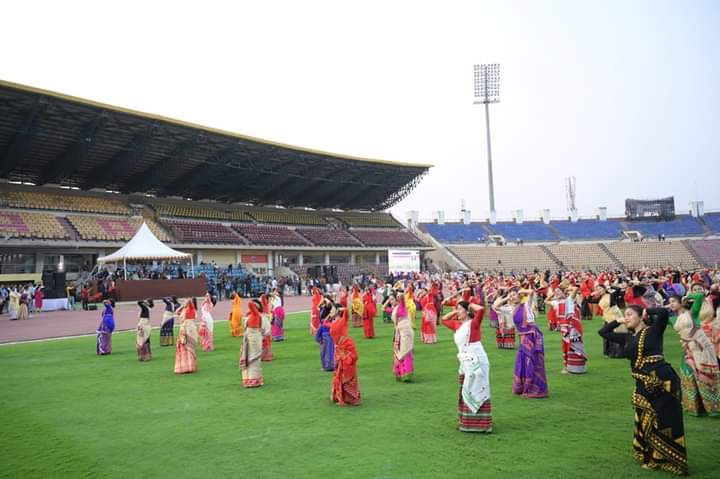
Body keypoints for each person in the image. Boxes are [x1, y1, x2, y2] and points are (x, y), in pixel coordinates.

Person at [599, 305, 688, 475]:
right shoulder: (627, 338)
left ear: (641, 316)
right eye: (625, 315)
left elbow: (662, 313)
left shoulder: (654, 331)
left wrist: (647, 310)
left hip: (662, 380)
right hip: (642, 382)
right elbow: (603, 332)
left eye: (630, 314)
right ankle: (651, 456)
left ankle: (668, 459)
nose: (627, 317)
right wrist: (617, 320)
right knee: (645, 417)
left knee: (665, 418)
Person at [441, 301, 492, 433]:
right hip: (465, 361)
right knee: (466, 388)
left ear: (467, 311)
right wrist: (456, 310)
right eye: (456, 310)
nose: (457, 312)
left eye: (459, 309)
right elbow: (443, 320)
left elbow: (481, 310)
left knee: (477, 389)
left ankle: (481, 424)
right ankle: (467, 421)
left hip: (477, 360)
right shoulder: (457, 325)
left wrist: (468, 304)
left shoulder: (473, 324)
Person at [668, 294, 720, 416]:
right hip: (688, 348)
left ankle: (713, 408)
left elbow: (699, 297)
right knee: (688, 373)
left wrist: (687, 296)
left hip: (701, 347)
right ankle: (694, 407)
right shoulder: (672, 318)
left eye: (674, 301)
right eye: (670, 302)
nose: (671, 304)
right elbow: (657, 317)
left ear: (681, 302)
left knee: (705, 374)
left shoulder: (692, 313)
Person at [495, 289, 549, 398]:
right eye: (511, 295)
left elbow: (531, 292)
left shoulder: (526, 304)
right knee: (522, 362)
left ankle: (534, 390)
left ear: (519, 296)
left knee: (533, 361)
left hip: (532, 336)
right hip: (523, 337)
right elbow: (495, 307)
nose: (512, 297)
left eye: (514, 295)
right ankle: (524, 387)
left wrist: (520, 291)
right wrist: (507, 297)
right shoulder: (510, 309)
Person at [549, 287, 587, 374]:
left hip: (573, 327)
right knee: (566, 347)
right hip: (564, 328)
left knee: (574, 346)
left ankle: (577, 369)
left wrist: (567, 289)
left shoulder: (569, 299)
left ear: (564, 292)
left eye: (559, 291)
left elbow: (575, 289)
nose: (557, 293)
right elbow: (546, 301)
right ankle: (568, 367)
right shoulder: (555, 303)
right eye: (555, 292)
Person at [330, 305, 361, 406]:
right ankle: (340, 396)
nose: (331, 311)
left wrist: (345, 309)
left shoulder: (342, 321)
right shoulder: (334, 321)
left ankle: (351, 397)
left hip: (346, 347)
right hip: (339, 349)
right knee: (339, 372)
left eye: (333, 309)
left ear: (338, 311)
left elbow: (347, 314)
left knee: (347, 372)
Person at [593, 284, 627, 358]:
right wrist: (592, 294)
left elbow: (618, 289)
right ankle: (608, 352)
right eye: (597, 289)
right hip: (607, 318)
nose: (599, 290)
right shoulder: (599, 298)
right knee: (605, 335)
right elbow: (590, 300)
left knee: (615, 335)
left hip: (615, 318)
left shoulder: (611, 295)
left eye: (600, 289)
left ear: (605, 289)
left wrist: (611, 286)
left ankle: (616, 353)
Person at [239, 299, 268, 387]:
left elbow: (250, 304)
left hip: (254, 338)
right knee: (248, 357)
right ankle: (248, 379)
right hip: (250, 338)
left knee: (253, 359)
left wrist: (254, 302)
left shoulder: (256, 314)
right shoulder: (251, 315)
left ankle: (254, 380)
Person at [391, 292, 414, 382]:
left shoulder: (402, 308)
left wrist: (401, 297)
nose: (391, 301)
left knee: (405, 352)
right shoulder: (398, 309)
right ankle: (401, 373)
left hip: (404, 333)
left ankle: (405, 374)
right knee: (399, 352)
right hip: (399, 332)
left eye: (393, 299)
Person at [175, 299, 199, 374]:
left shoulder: (191, 309)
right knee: (183, 346)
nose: (184, 302)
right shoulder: (184, 310)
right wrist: (182, 306)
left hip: (190, 329)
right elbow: (177, 312)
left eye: (185, 302)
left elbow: (191, 303)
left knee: (189, 346)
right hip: (183, 329)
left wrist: (189, 301)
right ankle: (184, 366)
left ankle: (190, 366)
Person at [315, 299, 335, 371]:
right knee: (328, 351)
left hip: (326, 334)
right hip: (327, 334)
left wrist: (325, 299)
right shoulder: (324, 309)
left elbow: (329, 304)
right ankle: (329, 365)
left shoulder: (327, 310)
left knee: (326, 352)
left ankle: (328, 366)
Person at [260, 294, 273, 361]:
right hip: (265, 321)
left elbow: (262, 297)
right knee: (266, 339)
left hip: (264, 321)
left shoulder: (264, 302)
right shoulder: (265, 303)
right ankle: (267, 355)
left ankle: (264, 355)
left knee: (265, 338)